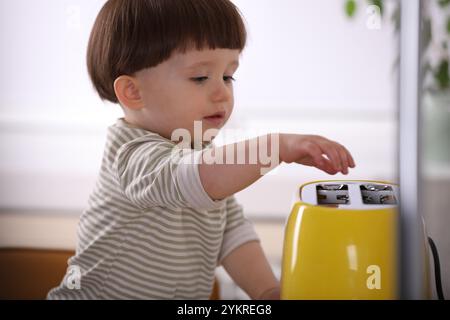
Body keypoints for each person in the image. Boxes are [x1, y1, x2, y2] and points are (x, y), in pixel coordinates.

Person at [47, 0, 355, 300]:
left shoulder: (199, 151)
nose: (222, 92)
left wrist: (267, 291)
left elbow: (230, 233)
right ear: (133, 92)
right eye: (200, 77)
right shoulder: (130, 154)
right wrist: (279, 147)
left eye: (228, 75)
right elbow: (196, 177)